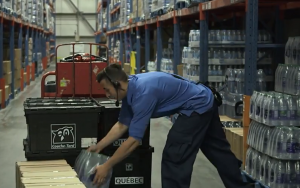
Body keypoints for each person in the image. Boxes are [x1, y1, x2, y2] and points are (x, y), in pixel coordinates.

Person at [89, 63, 252, 188]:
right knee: (218, 151)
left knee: (175, 154)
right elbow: (122, 124)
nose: (106, 94)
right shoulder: (130, 87)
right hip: (205, 99)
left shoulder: (143, 94)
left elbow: (133, 141)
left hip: (196, 107)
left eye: (107, 89)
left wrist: (107, 166)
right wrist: (98, 147)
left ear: (117, 84)